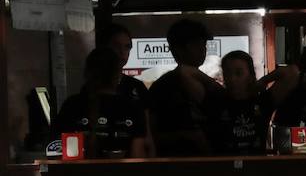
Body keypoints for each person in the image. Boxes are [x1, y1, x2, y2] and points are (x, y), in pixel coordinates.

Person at [52, 47, 149, 158]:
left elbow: (66, 155)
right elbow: (137, 157)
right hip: (123, 174)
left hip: (81, 174)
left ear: (87, 74)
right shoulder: (133, 108)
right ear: (117, 75)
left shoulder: (71, 106)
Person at [146, 17, 222, 156]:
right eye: (196, 45)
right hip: (173, 164)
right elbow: (151, 134)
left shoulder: (208, 83)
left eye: (204, 44)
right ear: (178, 50)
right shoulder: (162, 87)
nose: (202, 49)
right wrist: (185, 136)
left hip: (212, 163)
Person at [207, 51, 273, 154]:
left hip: (256, 167)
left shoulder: (261, 102)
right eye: (227, 73)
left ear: (250, 75)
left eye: (239, 73)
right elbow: (184, 72)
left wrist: (262, 81)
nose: (232, 79)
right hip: (223, 167)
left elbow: (291, 73)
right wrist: (213, 84)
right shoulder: (216, 102)